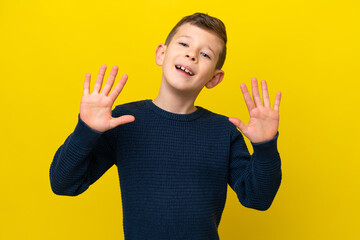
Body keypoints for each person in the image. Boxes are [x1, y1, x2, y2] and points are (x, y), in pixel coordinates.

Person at [50, 12, 282, 240]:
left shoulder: (224, 131)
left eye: (205, 54)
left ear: (214, 78)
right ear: (162, 53)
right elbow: (64, 183)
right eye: (184, 44)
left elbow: (257, 198)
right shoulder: (123, 121)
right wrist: (85, 130)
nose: (192, 55)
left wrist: (265, 147)